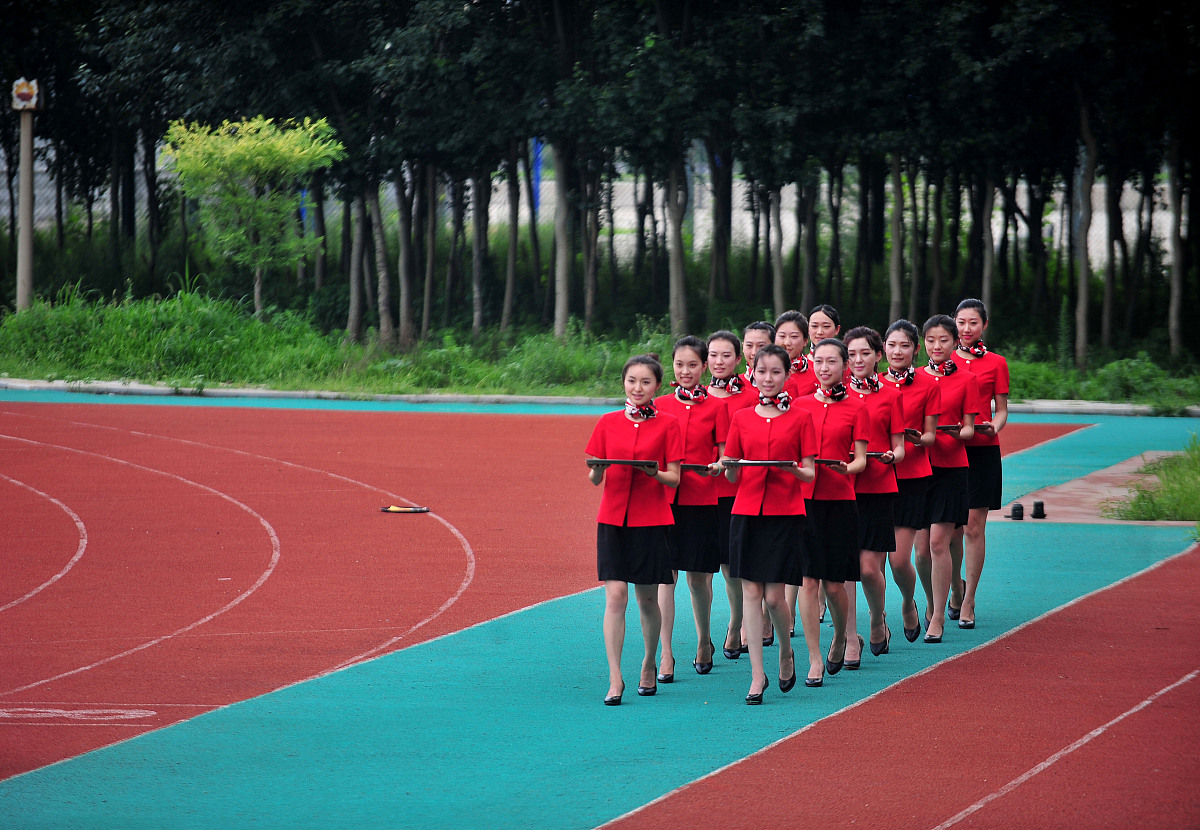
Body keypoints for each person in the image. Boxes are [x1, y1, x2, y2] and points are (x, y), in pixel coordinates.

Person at [586, 354, 683, 705]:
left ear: (657, 385)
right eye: (631, 381)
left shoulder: (669, 424)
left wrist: (652, 472)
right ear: (623, 382)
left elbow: (674, 476)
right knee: (615, 597)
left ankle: (648, 662)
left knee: (646, 599)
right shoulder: (607, 422)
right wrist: (597, 468)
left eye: (645, 382)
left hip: (651, 520)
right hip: (612, 519)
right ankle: (615, 677)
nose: (637, 387)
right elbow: (595, 476)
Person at [722, 344, 816, 703]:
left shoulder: (800, 418)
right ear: (752, 373)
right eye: (762, 372)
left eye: (776, 372)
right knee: (750, 592)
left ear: (787, 375)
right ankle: (757, 675)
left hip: (784, 514)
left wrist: (789, 469)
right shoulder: (741, 417)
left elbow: (808, 473)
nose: (768, 378)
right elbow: (732, 476)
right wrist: (729, 465)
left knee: (775, 597)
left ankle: (786, 652)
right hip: (746, 513)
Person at [792, 338, 868, 685]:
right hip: (802, 501)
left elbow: (862, 460)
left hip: (839, 502)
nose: (824, 368)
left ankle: (840, 636)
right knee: (808, 581)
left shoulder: (857, 407)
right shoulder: (799, 405)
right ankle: (813, 658)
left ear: (845, 366)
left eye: (832, 362)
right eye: (818, 361)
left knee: (834, 585)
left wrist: (847, 469)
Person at [655, 336, 730, 681]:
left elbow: (724, 455)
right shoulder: (659, 405)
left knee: (699, 579)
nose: (685, 371)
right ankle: (666, 652)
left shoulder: (717, 407)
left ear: (704, 368)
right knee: (664, 577)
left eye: (692, 365)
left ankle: (703, 640)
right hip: (664, 502)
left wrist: (719, 465)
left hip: (702, 501)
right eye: (679, 364)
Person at [842, 326, 905, 664]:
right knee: (848, 568)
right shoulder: (835, 397)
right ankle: (851, 638)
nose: (857, 360)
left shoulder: (891, 395)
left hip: (879, 487)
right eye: (851, 354)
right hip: (841, 490)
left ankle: (878, 618)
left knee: (868, 568)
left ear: (878, 356)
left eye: (864, 353)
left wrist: (893, 456)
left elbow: (900, 446)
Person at [915, 316, 977, 644]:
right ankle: (934, 599)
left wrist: (958, 432)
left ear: (955, 343)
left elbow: (970, 426)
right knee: (921, 553)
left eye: (943, 340)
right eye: (930, 340)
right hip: (915, 469)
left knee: (939, 542)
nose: (936, 347)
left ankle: (938, 616)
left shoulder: (967, 379)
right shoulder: (913, 380)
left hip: (951, 467)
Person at [949, 299, 1009, 630]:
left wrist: (994, 427)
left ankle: (969, 598)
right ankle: (955, 586)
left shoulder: (996, 363)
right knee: (952, 528)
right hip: (949, 448)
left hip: (983, 449)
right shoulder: (942, 362)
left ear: (984, 325)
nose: (966, 329)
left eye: (973, 322)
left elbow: (1001, 409)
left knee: (974, 526)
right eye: (961, 322)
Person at [883, 319, 940, 643]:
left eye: (904, 345)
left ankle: (908, 602)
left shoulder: (928, 385)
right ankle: (879, 619)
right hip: (874, 477)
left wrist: (918, 438)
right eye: (891, 345)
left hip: (912, 477)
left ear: (915, 350)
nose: (897, 351)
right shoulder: (871, 384)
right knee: (869, 563)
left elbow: (931, 435)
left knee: (900, 559)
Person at [705, 329, 759, 659]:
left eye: (727, 355)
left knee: (730, 565)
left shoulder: (753, 395)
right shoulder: (695, 397)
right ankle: (709, 632)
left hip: (737, 490)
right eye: (713, 355)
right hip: (700, 492)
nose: (719, 361)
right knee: (707, 568)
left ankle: (736, 623)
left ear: (739, 359)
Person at [774, 310, 818, 397]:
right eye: (782, 336)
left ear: (805, 341)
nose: (787, 342)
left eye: (794, 337)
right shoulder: (762, 373)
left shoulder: (816, 376)